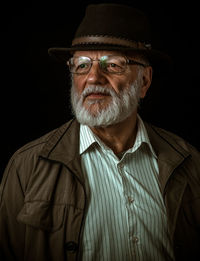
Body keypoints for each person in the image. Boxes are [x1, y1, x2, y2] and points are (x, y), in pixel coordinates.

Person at [0, 3, 199, 261]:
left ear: (145, 81)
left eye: (113, 65)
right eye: (82, 65)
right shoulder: (26, 167)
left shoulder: (189, 163)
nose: (93, 78)